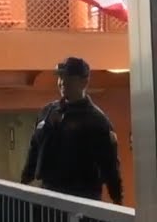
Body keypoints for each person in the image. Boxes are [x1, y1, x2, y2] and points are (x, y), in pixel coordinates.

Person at [21, 57, 123, 204]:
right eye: (61, 77)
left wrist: (117, 201)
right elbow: (34, 149)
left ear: (84, 82)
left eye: (69, 77)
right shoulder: (47, 112)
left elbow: (110, 166)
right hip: (49, 192)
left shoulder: (97, 121)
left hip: (83, 197)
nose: (62, 82)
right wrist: (24, 182)